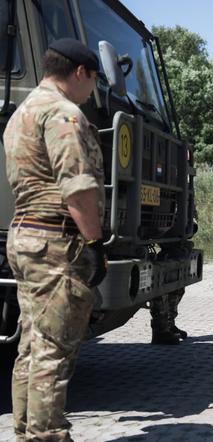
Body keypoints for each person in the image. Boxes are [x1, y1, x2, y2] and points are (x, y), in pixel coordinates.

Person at [3, 38, 106, 441]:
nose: (92, 90)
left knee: (31, 344)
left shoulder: (21, 112)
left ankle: (27, 431)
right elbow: (77, 187)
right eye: (94, 80)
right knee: (54, 349)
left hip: (25, 236)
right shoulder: (64, 114)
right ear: (81, 72)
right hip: (55, 242)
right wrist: (95, 243)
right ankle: (46, 435)